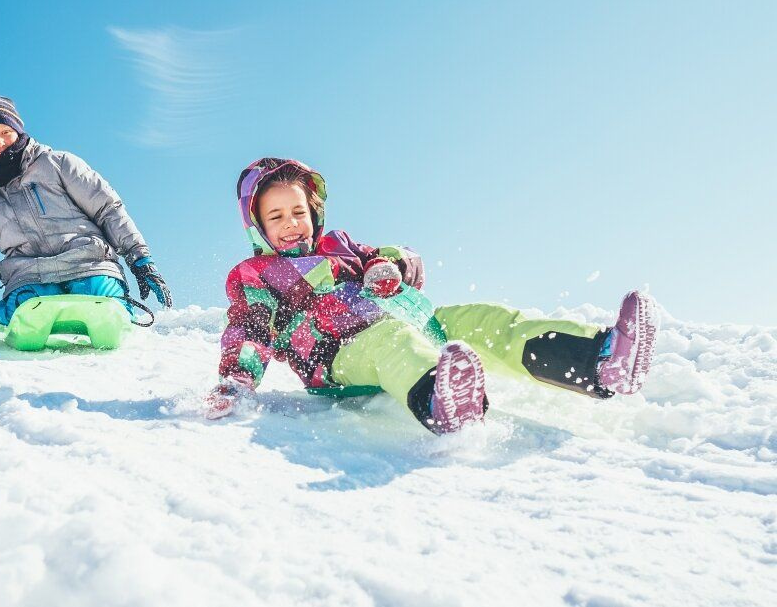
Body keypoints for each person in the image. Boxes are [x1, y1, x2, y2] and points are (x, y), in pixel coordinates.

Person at [204, 157, 659, 434]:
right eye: (276, 216)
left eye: (299, 211)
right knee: (393, 346)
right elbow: (249, 329)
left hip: (410, 316)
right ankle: (442, 405)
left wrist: (388, 267)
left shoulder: (341, 246)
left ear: (314, 212)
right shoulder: (257, 274)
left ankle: (597, 361)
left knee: (484, 319)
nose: (291, 223)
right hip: (338, 356)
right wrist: (236, 380)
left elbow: (407, 261)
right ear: (258, 227)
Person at [0, 95, 170, 343]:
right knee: (27, 306)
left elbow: (108, 209)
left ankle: (112, 310)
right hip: (30, 279)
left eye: (5, 131)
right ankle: (25, 318)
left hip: (90, 265)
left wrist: (140, 259)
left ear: (18, 129)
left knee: (100, 295)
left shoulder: (58, 164)